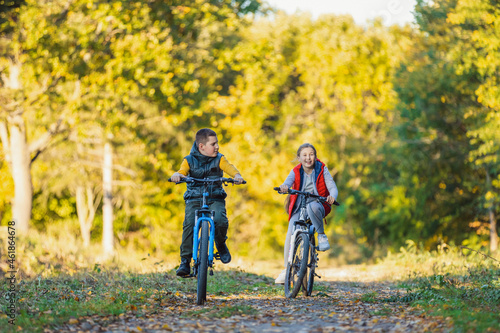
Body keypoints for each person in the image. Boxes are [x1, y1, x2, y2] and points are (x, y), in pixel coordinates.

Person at [170, 128, 245, 277]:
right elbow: (182, 171)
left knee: (220, 221)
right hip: (194, 199)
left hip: (214, 198)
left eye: (217, 143)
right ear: (202, 146)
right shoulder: (189, 160)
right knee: (189, 225)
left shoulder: (220, 159)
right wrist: (177, 175)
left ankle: (221, 244)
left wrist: (237, 175)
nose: (217, 147)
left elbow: (229, 167)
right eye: (213, 144)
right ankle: (185, 260)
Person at [275, 143, 338, 284]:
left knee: (313, 207)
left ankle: (321, 236)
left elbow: (332, 187)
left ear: (315, 157)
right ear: (299, 158)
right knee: (291, 231)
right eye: (304, 155)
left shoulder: (322, 169)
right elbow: (287, 182)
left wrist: (332, 196)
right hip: (299, 206)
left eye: (311, 154)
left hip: (318, 204)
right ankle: (287, 269)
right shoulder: (296, 171)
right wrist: (284, 187)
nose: (308, 158)